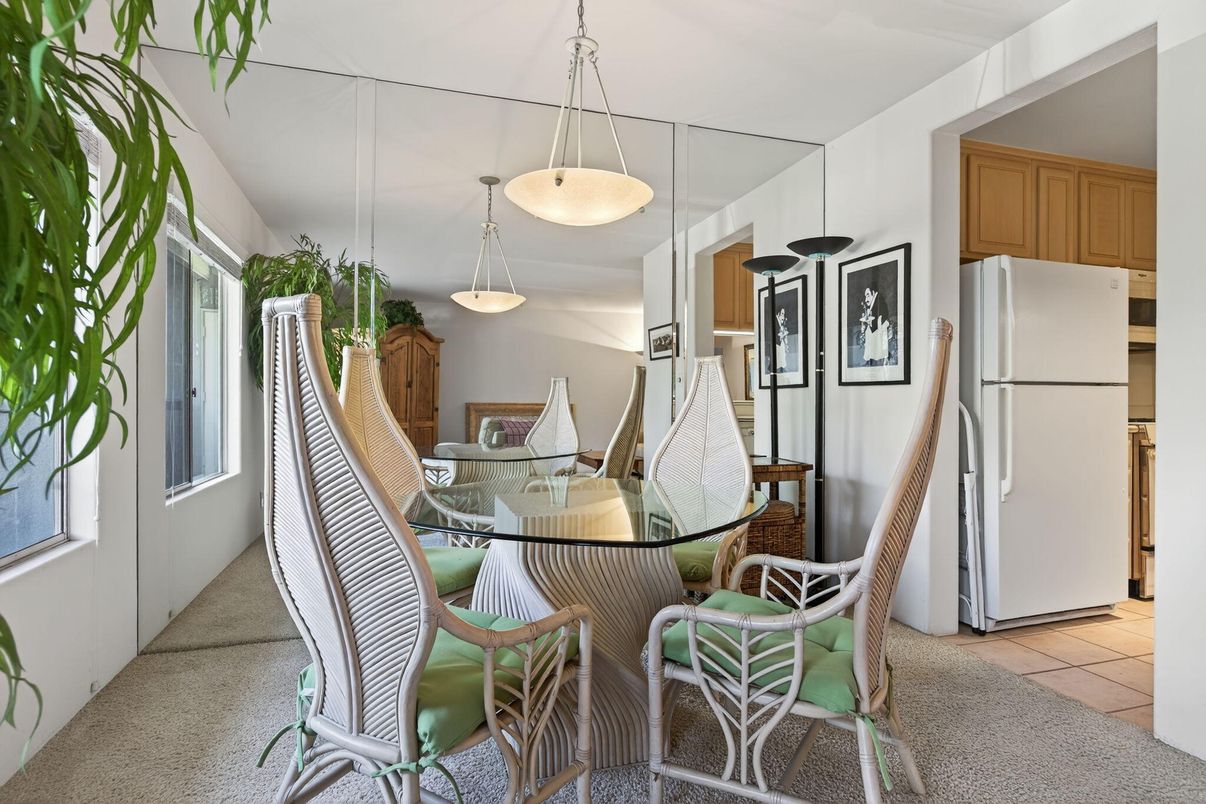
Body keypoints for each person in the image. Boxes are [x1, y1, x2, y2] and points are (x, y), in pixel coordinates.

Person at [860, 286, 890, 365]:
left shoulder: (879, 302)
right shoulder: (876, 301)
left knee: (869, 333)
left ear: (873, 293)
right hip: (877, 329)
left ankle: (873, 359)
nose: (866, 299)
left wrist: (870, 322)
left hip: (880, 330)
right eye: (865, 296)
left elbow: (879, 319)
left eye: (868, 295)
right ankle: (870, 359)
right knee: (868, 333)